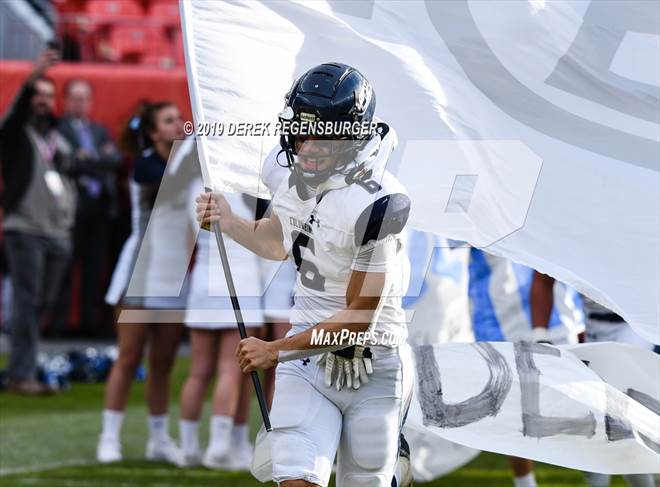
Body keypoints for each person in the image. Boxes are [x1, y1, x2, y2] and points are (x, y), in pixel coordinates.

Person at [197, 62, 413, 487]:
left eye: (324, 138)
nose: (308, 148)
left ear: (352, 138)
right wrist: (229, 222)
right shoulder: (284, 170)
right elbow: (278, 241)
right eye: (302, 132)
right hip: (307, 361)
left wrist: (276, 349)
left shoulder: (381, 202)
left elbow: (359, 318)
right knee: (296, 479)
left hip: (374, 362)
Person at [97, 102, 193, 464]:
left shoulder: (189, 164)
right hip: (140, 273)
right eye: (169, 121)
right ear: (153, 133)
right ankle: (109, 437)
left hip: (174, 277)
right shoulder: (146, 165)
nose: (179, 124)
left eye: (180, 118)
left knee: (163, 363)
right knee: (129, 357)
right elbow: (171, 183)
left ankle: (159, 439)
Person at [468, 248, 585, 487]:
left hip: (557, 314)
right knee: (512, 408)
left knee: (582, 401)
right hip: (497, 317)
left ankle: (612, 473)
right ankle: (525, 483)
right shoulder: (470, 223)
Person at [530, 271, 656, 487]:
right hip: (594, 329)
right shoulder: (567, 246)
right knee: (607, 425)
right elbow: (542, 278)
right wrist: (540, 335)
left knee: (614, 419)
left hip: (635, 327)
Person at [0, 47, 76, 395]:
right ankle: (21, 374)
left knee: (41, 304)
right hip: (25, 228)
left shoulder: (57, 137)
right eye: (38, 94)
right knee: (27, 302)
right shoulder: (16, 134)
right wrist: (33, 76)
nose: (43, 100)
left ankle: (23, 364)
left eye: (49, 95)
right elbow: (14, 114)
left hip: (58, 231)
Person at [178, 191, 263, 470]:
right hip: (240, 281)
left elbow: (188, 244)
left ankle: (188, 448)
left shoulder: (194, 185)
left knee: (198, 371)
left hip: (202, 281)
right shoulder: (248, 188)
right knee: (231, 369)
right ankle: (219, 447)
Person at [57, 79, 121, 337]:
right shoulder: (59, 129)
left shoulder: (99, 130)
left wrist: (90, 157)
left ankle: (90, 324)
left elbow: (115, 159)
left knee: (95, 269)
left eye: (84, 98)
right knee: (64, 269)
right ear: (66, 101)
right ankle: (59, 325)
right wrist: (98, 160)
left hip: (100, 209)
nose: (80, 103)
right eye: (75, 98)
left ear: (91, 102)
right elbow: (69, 163)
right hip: (71, 209)